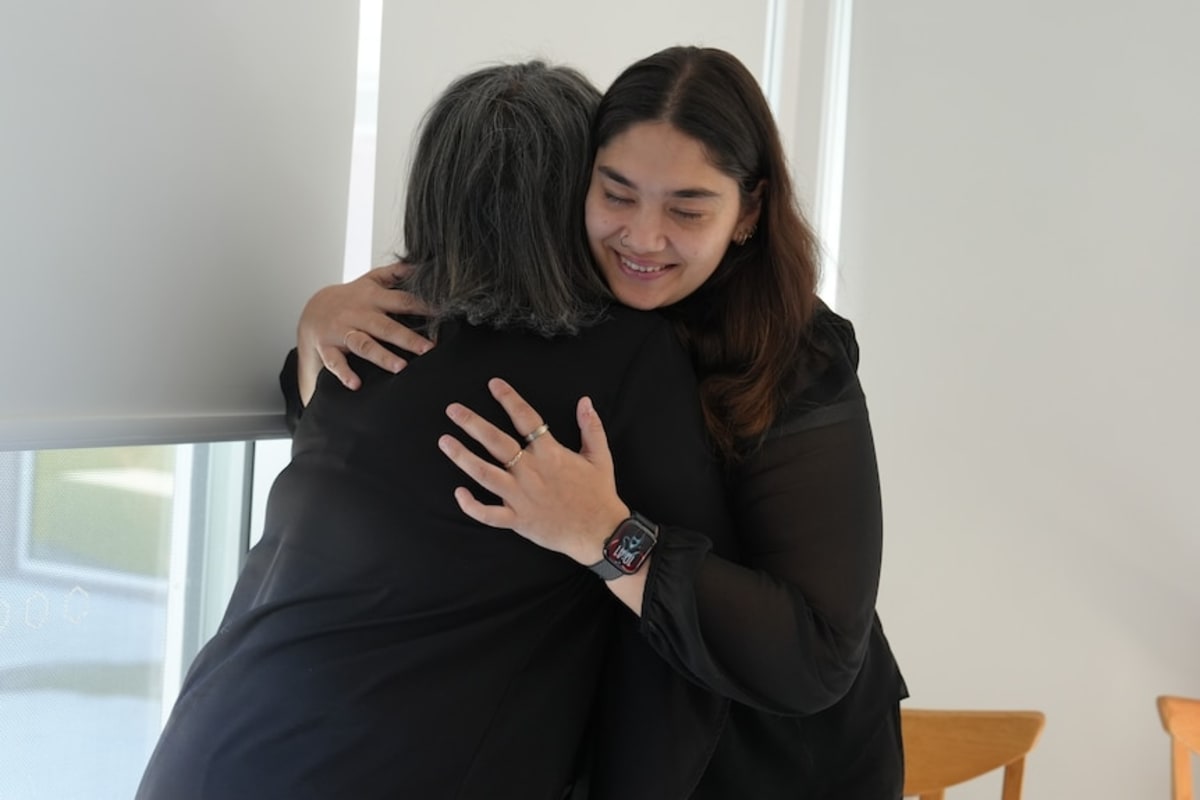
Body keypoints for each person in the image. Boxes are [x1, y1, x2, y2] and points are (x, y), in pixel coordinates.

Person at [294, 46, 908, 799]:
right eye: (616, 194)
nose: (643, 238)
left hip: (778, 758)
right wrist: (319, 321)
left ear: (748, 211)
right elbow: (381, 426)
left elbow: (817, 651)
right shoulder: (570, 311)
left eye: (687, 209)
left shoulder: (797, 353)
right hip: (628, 742)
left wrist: (607, 538)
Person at [135, 61, 731, 800]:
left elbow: (332, 429)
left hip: (206, 752)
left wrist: (316, 316)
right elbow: (682, 630)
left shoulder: (365, 332)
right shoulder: (630, 358)